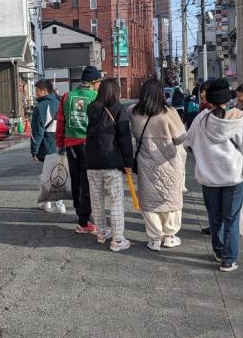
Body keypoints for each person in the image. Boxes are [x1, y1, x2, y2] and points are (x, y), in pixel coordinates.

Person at [187, 78, 243, 271]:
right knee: (231, 219)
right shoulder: (239, 117)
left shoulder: (201, 119)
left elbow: (188, 140)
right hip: (233, 177)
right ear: (227, 99)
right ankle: (228, 260)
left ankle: (218, 251)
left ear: (210, 99)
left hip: (209, 177)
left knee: (214, 217)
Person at [129, 79, 187, 251]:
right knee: (171, 197)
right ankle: (170, 236)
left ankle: (154, 238)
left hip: (145, 161)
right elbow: (180, 138)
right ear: (160, 93)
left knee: (148, 199)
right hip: (168, 160)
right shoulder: (169, 112)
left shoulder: (133, 111)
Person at [85, 78, 134, 251]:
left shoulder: (91, 108)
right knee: (116, 201)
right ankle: (118, 240)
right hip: (111, 162)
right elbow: (124, 138)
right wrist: (129, 161)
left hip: (91, 161)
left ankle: (101, 233)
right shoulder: (119, 109)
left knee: (96, 200)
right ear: (116, 91)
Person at [56, 66, 101, 234]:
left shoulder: (67, 96)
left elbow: (61, 121)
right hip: (90, 145)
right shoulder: (96, 97)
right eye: (99, 82)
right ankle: (84, 219)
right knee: (88, 181)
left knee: (75, 179)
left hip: (71, 145)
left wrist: (60, 142)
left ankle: (79, 211)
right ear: (94, 82)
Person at [30, 79, 65, 214]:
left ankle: (56, 203)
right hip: (60, 144)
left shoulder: (40, 107)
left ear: (44, 91)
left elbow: (37, 132)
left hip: (47, 145)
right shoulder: (60, 103)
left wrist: (34, 150)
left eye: (37, 91)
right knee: (54, 173)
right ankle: (48, 202)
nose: (35, 94)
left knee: (49, 175)